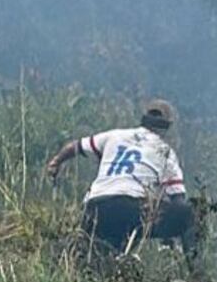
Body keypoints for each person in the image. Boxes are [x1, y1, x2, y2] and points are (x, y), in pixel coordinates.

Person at [44, 99, 197, 263]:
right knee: (190, 214)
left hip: (93, 208)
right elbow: (179, 201)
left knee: (100, 257)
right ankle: (196, 277)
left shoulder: (115, 135)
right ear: (167, 126)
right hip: (130, 209)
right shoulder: (165, 152)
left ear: (143, 118)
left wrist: (55, 162)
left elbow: (76, 146)